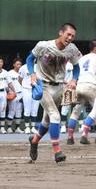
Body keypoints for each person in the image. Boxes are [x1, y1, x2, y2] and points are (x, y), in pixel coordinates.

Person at [27, 23, 82, 163]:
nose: (70, 38)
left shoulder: (72, 49)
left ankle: (34, 141)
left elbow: (76, 67)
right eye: (68, 34)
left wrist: (75, 79)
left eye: (72, 36)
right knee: (55, 115)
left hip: (59, 87)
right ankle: (57, 151)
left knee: (47, 121)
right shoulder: (43, 45)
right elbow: (29, 59)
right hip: (43, 85)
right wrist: (32, 73)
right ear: (60, 32)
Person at [66, 40, 96, 145]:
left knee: (75, 112)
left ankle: (70, 137)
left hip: (79, 86)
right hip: (91, 86)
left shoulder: (82, 59)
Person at [19, 60, 40, 134]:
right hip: (27, 90)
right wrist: (26, 86)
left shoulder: (38, 66)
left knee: (35, 109)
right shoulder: (23, 67)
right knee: (27, 109)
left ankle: (33, 127)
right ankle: (27, 127)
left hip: (36, 89)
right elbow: (20, 79)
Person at [6, 58, 24, 133]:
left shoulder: (22, 73)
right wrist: (9, 92)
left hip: (21, 93)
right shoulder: (9, 73)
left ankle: (17, 128)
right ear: (14, 65)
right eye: (17, 64)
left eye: (20, 64)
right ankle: (9, 128)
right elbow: (7, 84)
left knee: (19, 111)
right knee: (11, 111)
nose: (19, 66)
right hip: (13, 94)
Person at [0, 57, 17, 134]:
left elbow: (10, 83)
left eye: (1, 62)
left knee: (3, 110)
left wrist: (14, 91)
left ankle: (2, 128)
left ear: (3, 63)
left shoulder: (5, 72)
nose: (0, 63)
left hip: (3, 92)